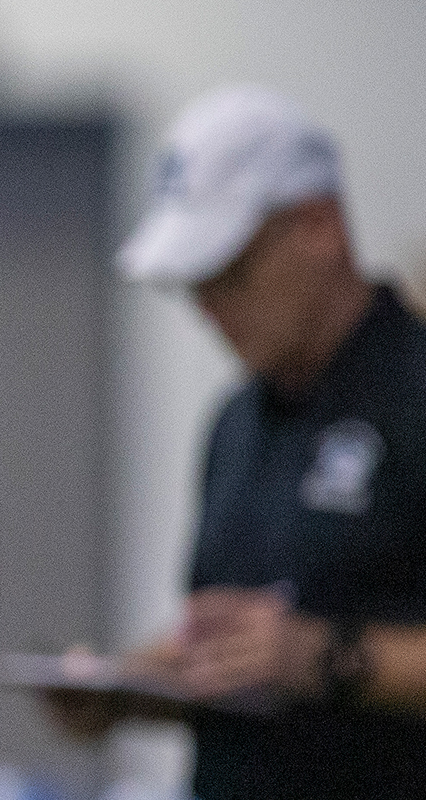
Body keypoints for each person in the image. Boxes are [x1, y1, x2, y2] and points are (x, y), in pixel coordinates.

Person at [50, 84, 426, 798]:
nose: (209, 310)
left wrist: (328, 657)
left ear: (318, 228)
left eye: (228, 273)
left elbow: (297, 653)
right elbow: (237, 642)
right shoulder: (238, 422)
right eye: (192, 285)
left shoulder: (414, 393)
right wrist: (128, 686)